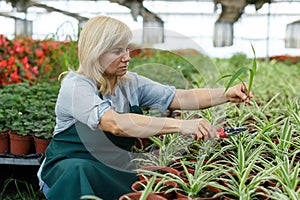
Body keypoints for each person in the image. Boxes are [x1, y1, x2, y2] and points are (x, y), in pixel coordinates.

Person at [37, 15, 253, 200]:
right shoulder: (76, 86)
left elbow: (180, 96)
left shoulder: (130, 83)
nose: (127, 57)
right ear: (96, 52)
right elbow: (115, 124)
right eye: (117, 51)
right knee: (79, 170)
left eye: (127, 49)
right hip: (67, 172)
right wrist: (182, 125)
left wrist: (226, 94)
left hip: (111, 168)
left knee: (153, 180)